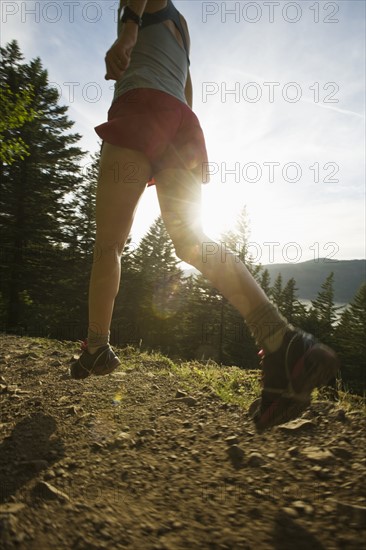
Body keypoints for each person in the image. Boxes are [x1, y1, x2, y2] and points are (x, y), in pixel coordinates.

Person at [70, 0, 340, 432]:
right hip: (181, 122)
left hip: (140, 107)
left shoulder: (145, 7)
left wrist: (127, 33)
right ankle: (282, 339)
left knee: (110, 245)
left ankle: (97, 346)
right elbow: (187, 87)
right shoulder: (182, 22)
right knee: (192, 242)